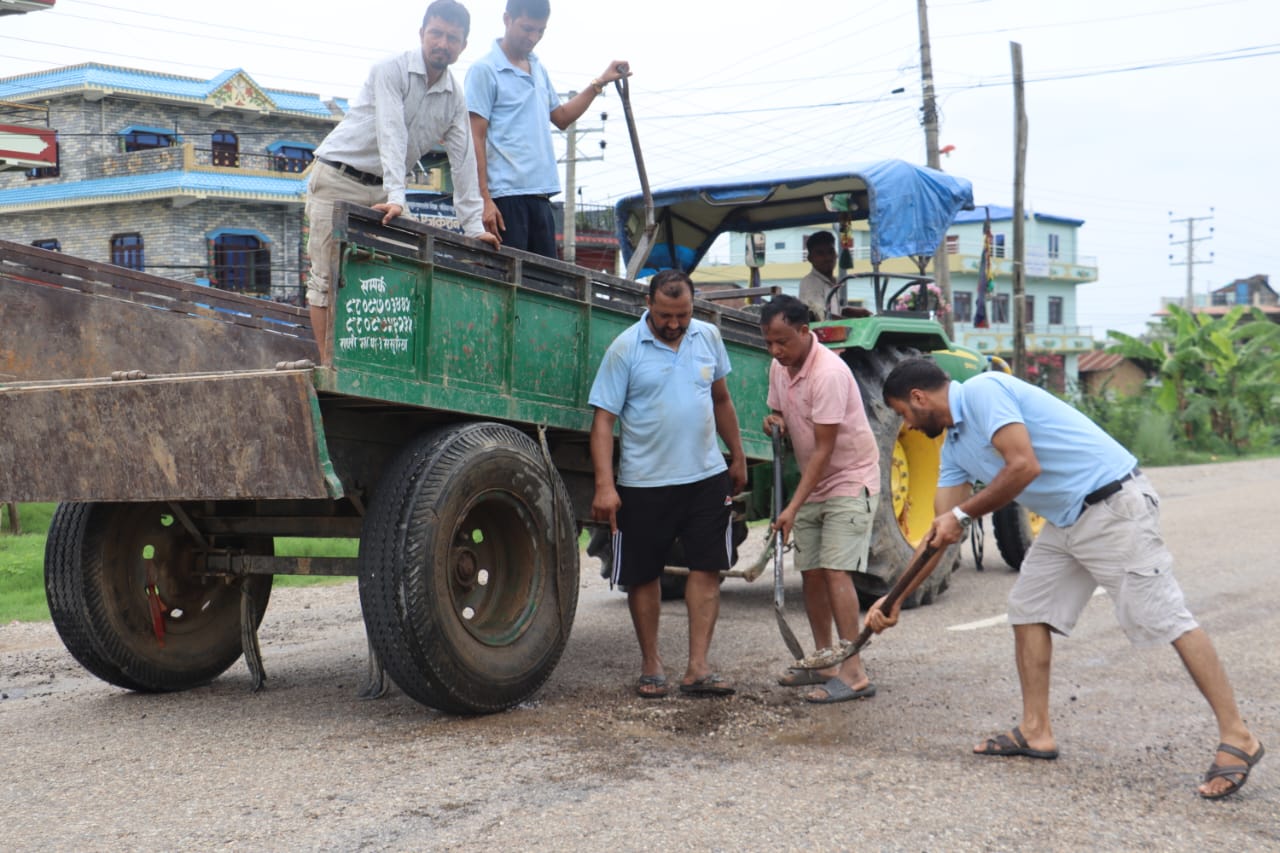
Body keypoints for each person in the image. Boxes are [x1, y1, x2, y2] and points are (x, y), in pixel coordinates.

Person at [868, 357, 1264, 799]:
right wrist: (893, 599)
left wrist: (962, 514)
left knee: (1167, 618)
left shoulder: (984, 391)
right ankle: (1036, 730)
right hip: (1067, 518)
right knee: (1029, 609)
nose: (908, 423)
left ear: (919, 398)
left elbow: (1023, 466)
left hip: (1113, 505)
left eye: (903, 413)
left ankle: (1238, 736)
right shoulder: (955, 448)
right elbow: (939, 531)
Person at [305, 0, 499, 365]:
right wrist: (398, 196)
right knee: (326, 280)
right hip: (338, 179)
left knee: (377, 282)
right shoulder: (389, 70)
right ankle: (331, 369)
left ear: (463, 45)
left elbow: (463, 161)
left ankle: (364, 364)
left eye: (452, 38)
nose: (443, 43)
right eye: (436, 34)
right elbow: (390, 132)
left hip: (383, 192)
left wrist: (474, 227)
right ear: (422, 34)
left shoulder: (455, 98)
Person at [589, 269, 748, 699]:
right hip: (644, 483)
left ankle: (698, 668)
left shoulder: (708, 337)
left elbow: (721, 399)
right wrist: (606, 485)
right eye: (665, 316)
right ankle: (651, 664)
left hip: (706, 478)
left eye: (683, 315)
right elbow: (603, 421)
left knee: (707, 568)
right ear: (648, 305)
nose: (675, 324)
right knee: (642, 574)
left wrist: (736, 453)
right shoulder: (625, 349)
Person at [760, 295, 881, 704]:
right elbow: (780, 413)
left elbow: (825, 449)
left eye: (783, 342)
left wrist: (791, 508)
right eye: (769, 343)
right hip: (814, 481)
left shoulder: (828, 373)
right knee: (810, 571)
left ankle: (854, 671)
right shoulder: (780, 367)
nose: (776, 351)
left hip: (848, 478)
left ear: (804, 332)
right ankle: (825, 662)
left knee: (835, 570)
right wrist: (774, 421)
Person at [465, 0, 629, 256]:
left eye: (540, 31)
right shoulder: (484, 70)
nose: (533, 37)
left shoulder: (538, 69)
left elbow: (561, 117)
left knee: (544, 286)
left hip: (541, 197)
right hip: (506, 199)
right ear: (507, 19)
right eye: (527, 28)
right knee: (510, 284)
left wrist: (600, 83)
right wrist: (484, 200)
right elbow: (475, 137)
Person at [798, 230, 838, 321]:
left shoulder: (831, 281)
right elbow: (820, 316)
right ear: (810, 258)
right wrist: (852, 320)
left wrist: (845, 310)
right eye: (820, 253)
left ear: (836, 254)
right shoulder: (810, 284)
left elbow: (830, 311)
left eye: (831, 251)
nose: (827, 258)